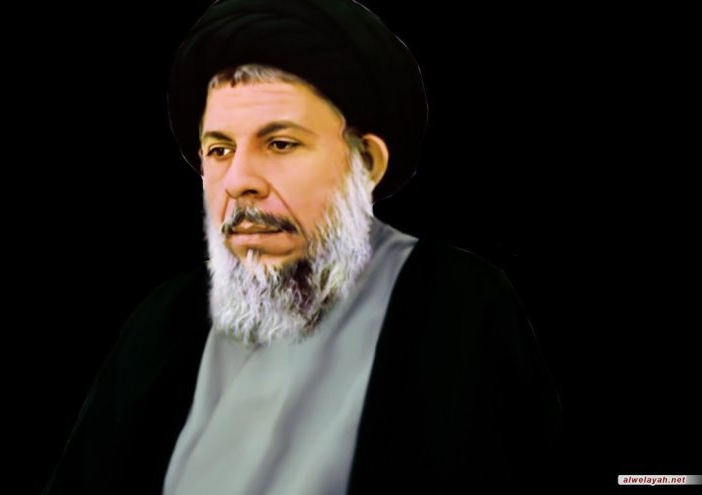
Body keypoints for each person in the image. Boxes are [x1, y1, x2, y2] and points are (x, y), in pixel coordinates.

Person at [43, 0, 561, 493]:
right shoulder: (163, 321)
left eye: (280, 144)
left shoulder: (458, 303)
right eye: (219, 150)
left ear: (367, 163)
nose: (238, 181)